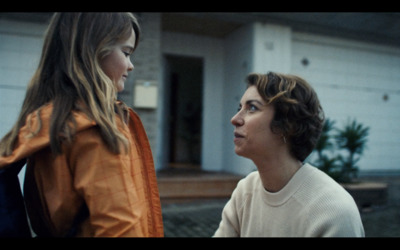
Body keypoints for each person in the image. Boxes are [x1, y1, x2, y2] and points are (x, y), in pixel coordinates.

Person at [0, 12, 164, 237]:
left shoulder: (44, 124)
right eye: (126, 53)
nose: (131, 65)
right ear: (94, 51)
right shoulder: (93, 131)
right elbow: (120, 228)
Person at [213, 71, 364, 237]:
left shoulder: (332, 212)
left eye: (252, 108)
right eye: (239, 108)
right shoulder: (245, 192)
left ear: (287, 125)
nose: (234, 119)